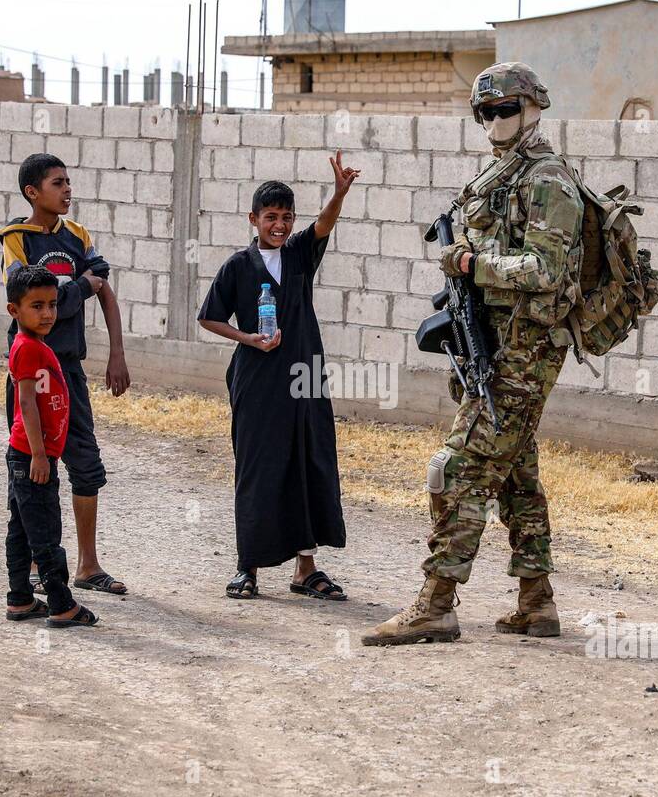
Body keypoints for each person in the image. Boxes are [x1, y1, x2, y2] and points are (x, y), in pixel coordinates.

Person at [363, 62, 585, 646]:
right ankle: (537, 603)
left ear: (533, 107)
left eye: (504, 110)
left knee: (456, 469)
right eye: (484, 112)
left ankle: (436, 604)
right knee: (515, 475)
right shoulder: (500, 174)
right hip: (496, 343)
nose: (493, 122)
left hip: (525, 352)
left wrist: (470, 264)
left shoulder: (548, 181)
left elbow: (547, 269)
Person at [197, 153, 360, 601]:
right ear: (253, 219)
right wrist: (248, 339)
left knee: (309, 465)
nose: (280, 226)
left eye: (287, 218)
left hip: (305, 376)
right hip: (257, 381)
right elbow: (210, 318)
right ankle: (246, 567)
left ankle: (305, 569)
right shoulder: (237, 266)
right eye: (271, 217)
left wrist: (339, 194)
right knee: (258, 468)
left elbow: (323, 225)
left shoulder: (300, 255)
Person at [0, 153, 131, 598]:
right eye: (58, 183)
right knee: (34, 465)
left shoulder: (78, 236)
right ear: (33, 192)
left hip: (69, 370)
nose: (68, 190)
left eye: (69, 182)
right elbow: (29, 293)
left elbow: (104, 290)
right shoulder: (16, 239)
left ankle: (87, 565)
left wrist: (117, 352)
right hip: (30, 373)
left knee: (87, 465)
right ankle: (36, 563)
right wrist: (77, 288)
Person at [3, 266, 97, 628]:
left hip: (29, 454)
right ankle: (61, 604)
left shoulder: (37, 345)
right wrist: (40, 455)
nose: (47, 314)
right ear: (15, 311)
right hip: (31, 456)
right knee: (45, 531)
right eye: (36, 306)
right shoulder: (26, 349)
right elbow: (25, 403)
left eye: (52, 305)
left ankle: (20, 600)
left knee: (23, 528)